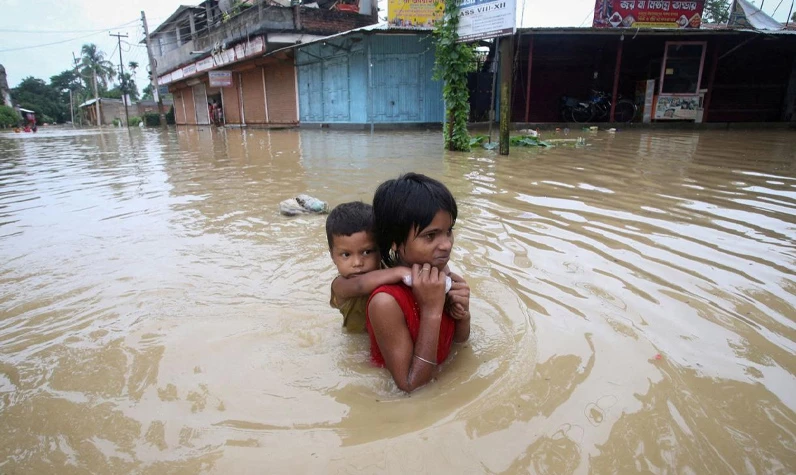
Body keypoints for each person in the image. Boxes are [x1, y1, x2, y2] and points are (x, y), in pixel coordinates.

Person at [367, 173, 471, 393]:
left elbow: (458, 345)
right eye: (430, 236)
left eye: (449, 231)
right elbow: (411, 386)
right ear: (395, 242)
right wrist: (432, 310)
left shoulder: (440, 273)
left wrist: (463, 314)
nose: (446, 245)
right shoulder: (386, 302)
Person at [326, 201, 412, 333]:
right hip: (357, 341)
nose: (357, 263)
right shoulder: (340, 285)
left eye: (366, 252)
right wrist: (401, 272)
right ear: (332, 255)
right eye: (346, 254)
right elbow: (360, 285)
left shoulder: (388, 268)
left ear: (381, 249)